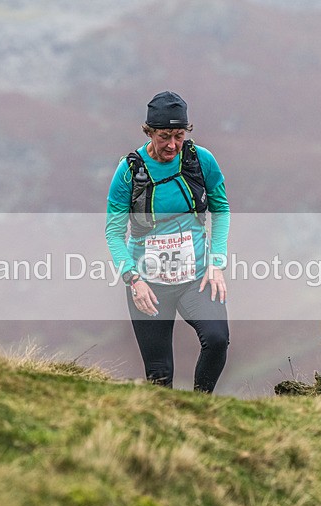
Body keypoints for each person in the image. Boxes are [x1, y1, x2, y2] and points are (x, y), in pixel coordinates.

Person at [105, 91, 230, 393]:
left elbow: (221, 208)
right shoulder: (129, 170)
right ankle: (167, 429)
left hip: (196, 278)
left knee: (216, 340)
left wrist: (216, 262)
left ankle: (200, 407)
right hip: (148, 284)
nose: (172, 145)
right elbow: (113, 231)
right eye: (164, 136)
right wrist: (132, 279)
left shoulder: (201, 160)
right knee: (160, 375)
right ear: (148, 132)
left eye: (179, 135)